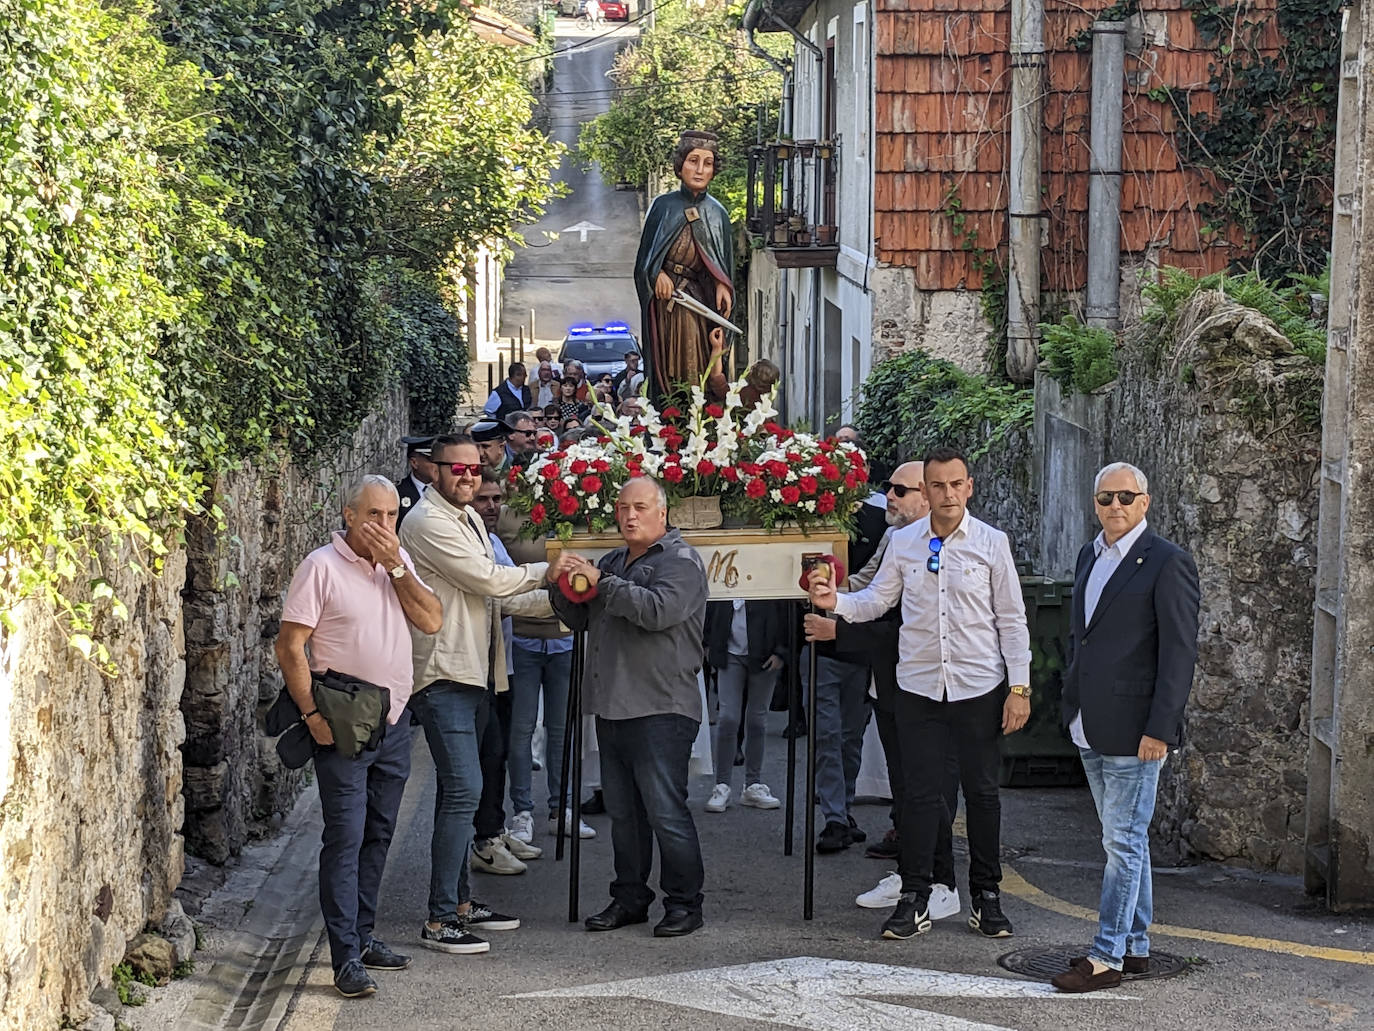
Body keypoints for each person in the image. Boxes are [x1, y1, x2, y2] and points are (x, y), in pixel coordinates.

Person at [810, 445, 1031, 942]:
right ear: (927, 490)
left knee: (981, 794)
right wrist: (836, 602)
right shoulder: (904, 542)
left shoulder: (993, 543)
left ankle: (987, 897)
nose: (948, 493)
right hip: (918, 687)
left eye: (957, 484)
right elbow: (877, 600)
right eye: (938, 485)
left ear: (969, 487)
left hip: (978, 686)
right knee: (918, 796)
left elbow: (1012, 620)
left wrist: (1019, 687)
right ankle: (915, 897)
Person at [275, 476, 443, 998]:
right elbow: (289, 646)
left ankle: (364, 936)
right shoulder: (320, 566)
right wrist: (310, 715)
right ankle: (345, 955)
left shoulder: (397, 563)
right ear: (349, 516)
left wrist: (396, 565)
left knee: (378, 833)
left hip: (392, 723)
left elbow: (431, 619)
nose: (384, 526)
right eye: (374, 515)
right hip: (343, 723)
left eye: (391, 515)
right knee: (344, 839)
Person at [399, 435, 556, 956]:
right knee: (464, 790)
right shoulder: (426, 521)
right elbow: (488, 580)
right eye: (457, 469)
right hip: (443, 673)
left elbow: (498, 601)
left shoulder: (463, 516)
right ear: (433, 470)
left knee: (462, 791)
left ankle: (460, 904)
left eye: (473, 468)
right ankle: (441, 918)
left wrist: (565, 601)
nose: (468, 476)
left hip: (479, 672)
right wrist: (552, 569)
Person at [1051, 463, 1200, 993]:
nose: (1115, 506)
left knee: (1124, 844)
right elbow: (1082, 638)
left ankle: (1106, 956)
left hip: (1138, 730)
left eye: (1125, 497)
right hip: (1090, 724)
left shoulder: (1167, 563)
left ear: (1145, 502)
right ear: (1095, 503)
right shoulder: (1090, 554)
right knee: (1122, 842)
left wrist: (1161, 728)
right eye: (1105, 498)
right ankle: (1135, 946)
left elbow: (1179, 655)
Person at [548, 477, 710, 937]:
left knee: (665, 812)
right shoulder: (615, 560)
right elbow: (580, 618)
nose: (629, 516)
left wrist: (604, 582)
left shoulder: (681, 561)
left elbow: (657, 611)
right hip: (613, 705)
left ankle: (684, 903)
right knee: (624, 814)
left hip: (661, 706)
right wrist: (562, 585)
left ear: (663, 513)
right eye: (622, 508)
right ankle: (630, 897)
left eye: (639, 507)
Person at [496, 483, 597, 844]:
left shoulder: (579, 512)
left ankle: (562, 808)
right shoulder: (507, 517)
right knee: (521, 730)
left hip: (565, 639)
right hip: (522, 637)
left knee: (561, 729)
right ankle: (522, 811)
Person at [468, 472, 547, 875]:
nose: (493, 507)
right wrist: (554, 587)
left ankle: (494, 829)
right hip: (480, 667)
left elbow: (515, 596)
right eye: (484, 500)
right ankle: (484, 839)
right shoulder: (469, 542)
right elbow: (502, 593)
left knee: (496, 754)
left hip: (504, 663)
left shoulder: (493, 539)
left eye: (497, 499)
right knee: (489, 753)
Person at [634, 131, 734, 403]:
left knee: (698, 357)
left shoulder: (717, 214)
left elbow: (720, 263)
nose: (700, 170)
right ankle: (669, 415)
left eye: (708, 163)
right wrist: (657, 274)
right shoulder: (663, 207)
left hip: (697, 301)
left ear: (714, 169)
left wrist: (723, 284)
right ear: (680, 166)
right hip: (666, 305)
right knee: (667, 362)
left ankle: (696, 417)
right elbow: (644, 261)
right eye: (693, 161)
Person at [702, 600, 789, 813]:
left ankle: (753, 784)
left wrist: (781, 651)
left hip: (764, 651)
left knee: (757, 720)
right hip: (728, 650)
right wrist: (707, 641)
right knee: (728, 718)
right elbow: (711, 602)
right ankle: (722, 785)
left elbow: (785, 608)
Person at [396, 436, 436, 528]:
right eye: (432, 460)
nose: (437, 465)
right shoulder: (398, 493)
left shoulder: (445, 491)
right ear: (414, 463)